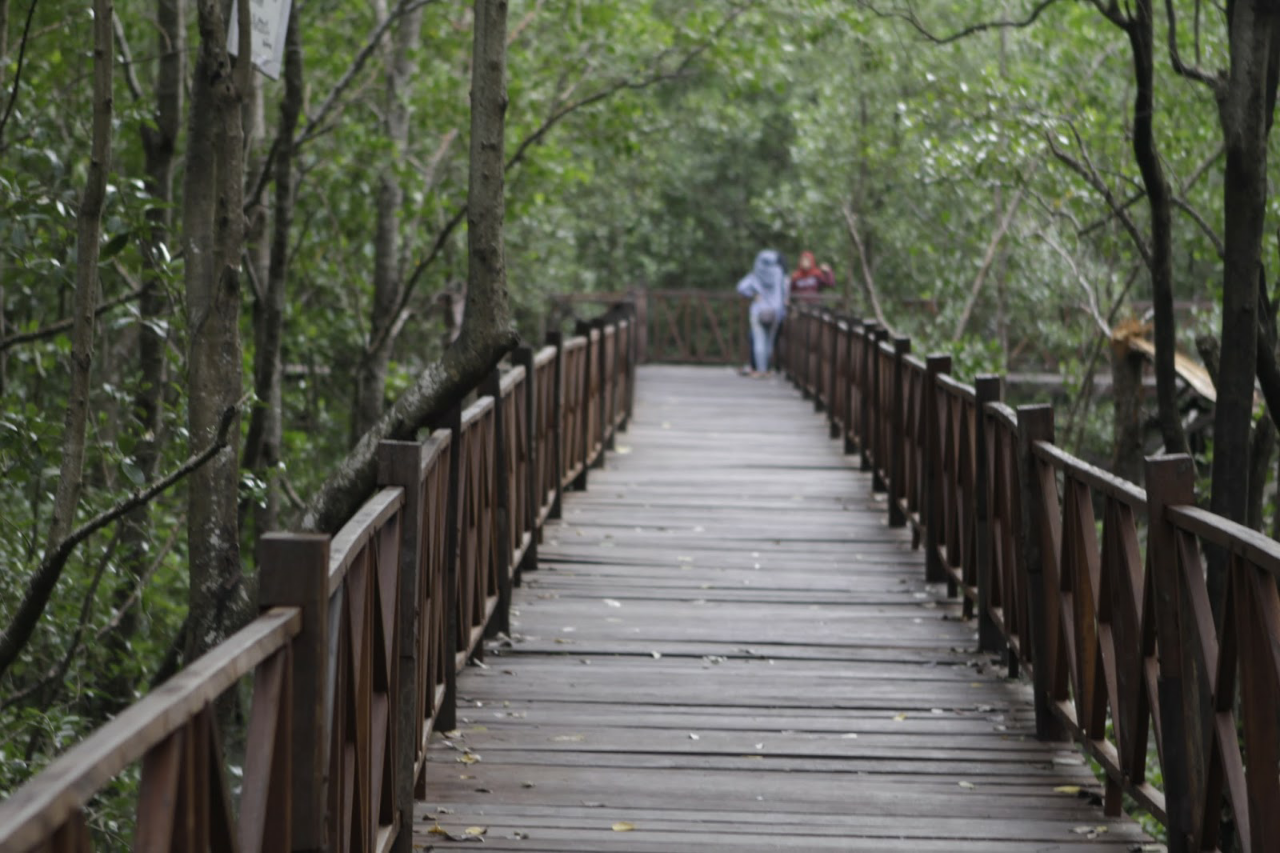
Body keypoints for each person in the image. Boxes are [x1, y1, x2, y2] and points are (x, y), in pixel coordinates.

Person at [736, 249, 788, 376]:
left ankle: (760, 369)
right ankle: (768, 368)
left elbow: (741, 287)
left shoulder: (756, 274)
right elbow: (784, 291)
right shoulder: (779, 273)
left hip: (759, 310)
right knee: (769, 342)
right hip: (775, 311)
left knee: (759, 341)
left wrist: (753, 294)